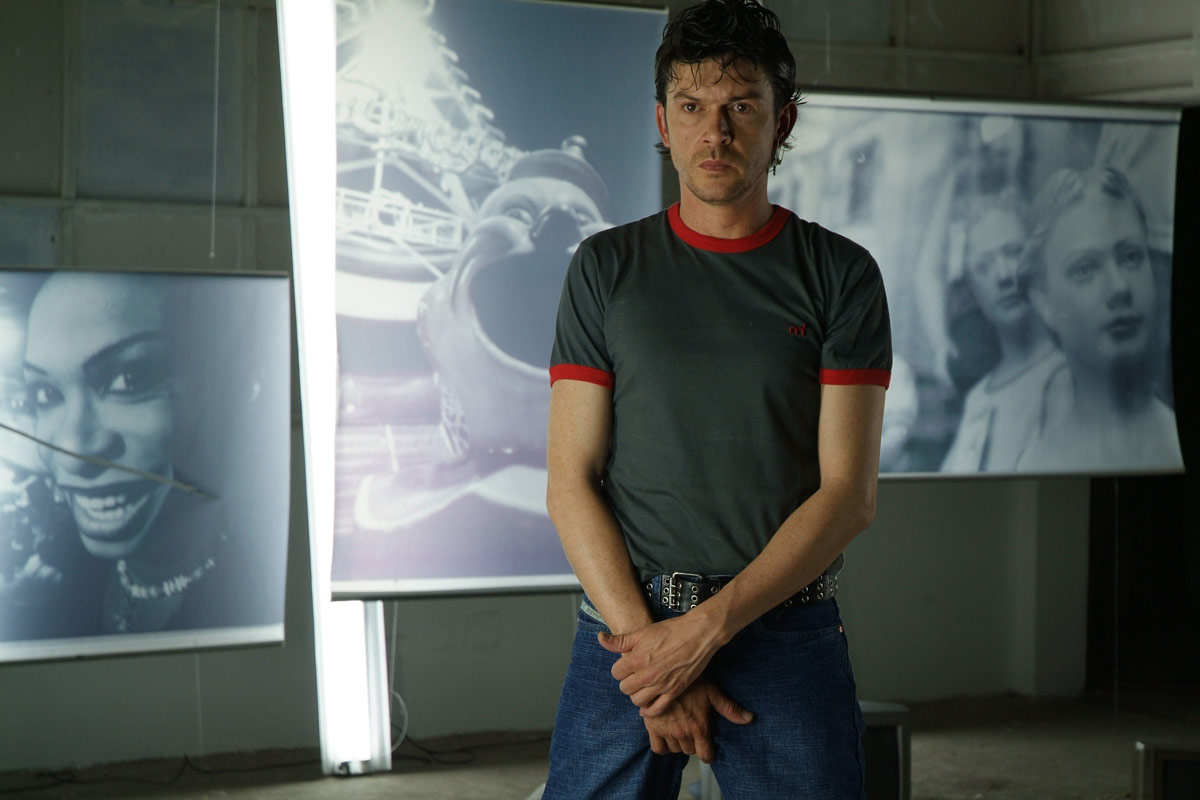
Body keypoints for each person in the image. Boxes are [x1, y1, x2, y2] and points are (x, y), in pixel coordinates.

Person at [541, 1, 891, 796]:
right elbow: (570, 481)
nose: (716, 133)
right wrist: (654, 654)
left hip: (782, 630)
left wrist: (703, 633)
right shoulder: (605, 268)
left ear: (782, 120)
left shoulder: (841, 276)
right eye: (693, 107)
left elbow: (849, 495)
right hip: (625, 630)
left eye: (741, 107)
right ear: (662, 122)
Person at [18, 271, 288, 637]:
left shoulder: (268, 593)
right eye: (46, 394)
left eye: (128, 380)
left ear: (239, 381)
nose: (73, 452)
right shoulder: (52, 591)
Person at [1017, 167, 1182, 472]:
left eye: (1131, 257)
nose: (1119, 287)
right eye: (1085, 269)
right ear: (1043, 301)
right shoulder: (1037, 466)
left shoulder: (1176, 446)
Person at [941, 190, 1065, 473]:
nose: (1004, 275)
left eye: (1014, 252)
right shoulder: (978, 401)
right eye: (983, 267)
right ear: (972, 289)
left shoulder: (1076, 375)